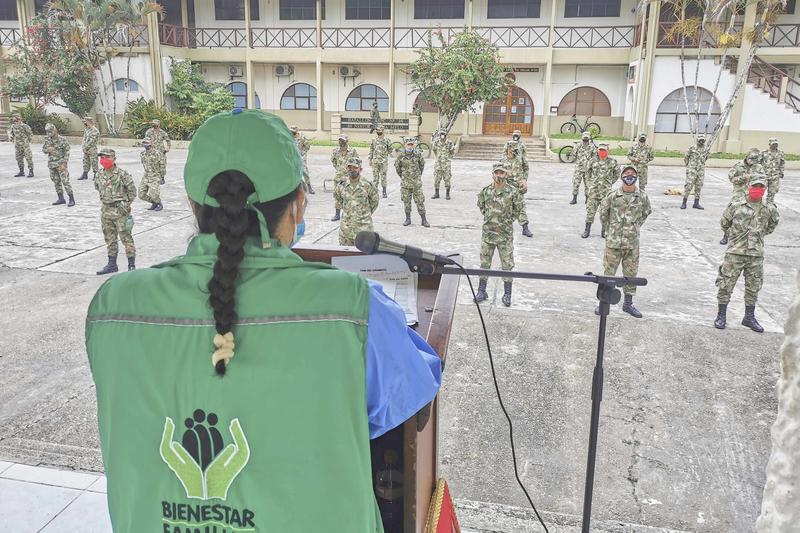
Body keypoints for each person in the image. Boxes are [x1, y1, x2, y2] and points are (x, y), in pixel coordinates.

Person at [85, 109, 441, 533]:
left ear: (192, 205)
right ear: (298, 205)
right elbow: (414, 386)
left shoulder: (111, 306)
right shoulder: (352, 308)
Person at [713, 175, 779, 333]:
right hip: (735, 253)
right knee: (726, 284)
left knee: (753, 287)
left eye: (761, 187)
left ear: (765, 189)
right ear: (749, 186)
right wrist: (735, 238)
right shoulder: (736, 205)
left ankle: (749, 317)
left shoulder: (769, 208)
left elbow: (771, 226)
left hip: (755, 254)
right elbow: (724, 223)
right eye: (755, 186)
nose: (758, 189)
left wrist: (756, 238)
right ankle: (721, 315)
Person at [598, 166, 651, 318]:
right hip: (613, 243)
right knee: (608, 273)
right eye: (627, 173)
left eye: (633, 174)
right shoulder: (613, 195)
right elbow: (603, 213)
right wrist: (611, 229)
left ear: (637, 177)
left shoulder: (642, 196)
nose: (630, 176)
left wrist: (635, 226)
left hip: (632, 243)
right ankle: (604, 303)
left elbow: (646, 212)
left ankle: (628, 304)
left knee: (631, 274)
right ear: (621, 176)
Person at [474, 162, 525, 307]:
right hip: (488, 234)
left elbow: (518, 209)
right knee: (484, 264)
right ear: (492, 174)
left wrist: (507, 221)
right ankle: (481, 291)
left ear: (506, 174)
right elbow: (481, 206)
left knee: (507, 265)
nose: (499, 175)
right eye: (496, 173)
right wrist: (491, 218)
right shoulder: (486, 191)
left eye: (501, 173)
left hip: (505, 235)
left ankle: (507, 294)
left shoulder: (513, 192)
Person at [94, 148, 136, 274]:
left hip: (120, 212)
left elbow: (132, 192)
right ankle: (112, 264)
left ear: (114, 159)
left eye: (107, 157)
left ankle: (131, 265)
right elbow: (98, 188)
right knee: (110, 239)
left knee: (126, 238)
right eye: (102, 158)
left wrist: (126, 205)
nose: (104, 160)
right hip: (106, 211)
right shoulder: (99, 174)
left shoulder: (122, 174)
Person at [720, 149, 764, 245]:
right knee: (731, 215)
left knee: (752, 216)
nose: (753, 162)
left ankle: (747, 237)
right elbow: (731, 178)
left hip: (753, 195)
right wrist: (743, 178)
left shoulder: (759, 167)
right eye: (751, 159)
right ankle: (726, 235)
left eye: (755, 160)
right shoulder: (738, 166)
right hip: (739, 194)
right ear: (747, 157)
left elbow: (763, 180)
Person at [334, 156, 379, 246]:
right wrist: (349, 211)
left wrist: (364, 214)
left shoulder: (367, 185)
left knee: (364, 258)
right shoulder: (341, 185)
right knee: (345, 257)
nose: (352, 170)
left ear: (360, 169)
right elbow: (338, 199)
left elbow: (375, 201)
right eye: (350, 167)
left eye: (355, 167)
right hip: (346, 231)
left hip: (364, 229)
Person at [582, 142, 619, 239]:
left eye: (604, 150)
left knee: (604, 214)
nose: (602, 152)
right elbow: (587, 173)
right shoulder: (592, 161)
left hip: (606, 193)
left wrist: (609, 182)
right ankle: (587, 230)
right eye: (600, 150)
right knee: (590, 212)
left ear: (607, 151)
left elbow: (617, 174)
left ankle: (604, 231)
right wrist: (590, 184)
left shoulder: (612, 162)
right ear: (598, 151)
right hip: (594, 192)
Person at [500, 145, 533, 238]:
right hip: (506, 186)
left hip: (518, 187)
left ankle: (525, 228)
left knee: (521, 207)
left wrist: (524, 180)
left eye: (512, 149)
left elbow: (526, 168)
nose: (511, 151)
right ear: (506, 150)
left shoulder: (519, 159)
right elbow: (496, 173)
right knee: (504, 208)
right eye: (509, 149)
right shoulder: (502, 160)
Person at [394, 137, 428, 227]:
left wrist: (418, 176)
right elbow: (397, 167)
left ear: (414, 145)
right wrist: (403, 176)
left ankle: (424, 220)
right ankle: (408, 219)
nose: (410, 146)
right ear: (405, 145)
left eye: (411, 144)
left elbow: (422, 165)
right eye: (408, 144)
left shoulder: (417, 155)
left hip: (416, 183)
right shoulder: (400, 155)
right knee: (406, 202)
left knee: (420, 201)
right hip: (405, 184)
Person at [42, 123, 74, 206]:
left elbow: (67, 152)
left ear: (55, 130)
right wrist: (47, 150)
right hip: (51, 164)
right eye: (48, 132)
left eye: (50, 132)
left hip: (60, 164)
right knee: (56, 181)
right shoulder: (47, 139)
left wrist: (64, 163)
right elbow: (44, 149)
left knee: (65, 181)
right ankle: (61, 198)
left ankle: (71, 199)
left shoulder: (62, 140)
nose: (49, 134)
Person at [331, 135, 359, 221]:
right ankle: (337, 214)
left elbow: (357, 162)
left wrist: (352, 173)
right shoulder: (335, 151)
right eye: (339, 141)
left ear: (346, 141)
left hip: (349, 177)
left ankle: (348, 214)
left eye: (342, 141)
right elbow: (333, 161)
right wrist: (339, 169)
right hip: (338, 178)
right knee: (337, 195)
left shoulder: (352, 151)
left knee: (349, 196)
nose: (341, 142)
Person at [682, 136, 709, 210]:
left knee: (699, 186)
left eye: (703, 140)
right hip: (692, 170)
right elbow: (686, 157)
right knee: (689, 185)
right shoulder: (692, 148)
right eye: (700, 140)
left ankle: (696, 203)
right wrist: (689, 166)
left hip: (700, 170)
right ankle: (684, 202)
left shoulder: (706, 149)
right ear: (697, 140)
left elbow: (706, 158)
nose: (701, 142)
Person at [570, 131, 597, 205]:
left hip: (588, 169)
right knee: (576, 183)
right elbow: (573, 154)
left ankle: (587, 199)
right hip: (579, 168)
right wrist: (578, 162)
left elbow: (595, 157)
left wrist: (590, 164)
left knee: (588, 185)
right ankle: (574, 198)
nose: (585, 140)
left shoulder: (592, 146)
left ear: (589, 138)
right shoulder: (578, 145)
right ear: (582, 138)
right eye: (584, 139)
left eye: (587, 139)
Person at [138, 139, 163, 211]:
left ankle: (159, 203)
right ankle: (154, 202)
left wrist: (162, 176)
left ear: (151, 144)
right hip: (146, 176)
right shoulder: (142, 154)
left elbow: (162, 165)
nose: (145, 145)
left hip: (155, 176)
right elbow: (144, 164)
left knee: (154, 194)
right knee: (141, 194)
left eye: (147, 143)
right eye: (144, 143)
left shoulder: (157, 154)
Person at [144, 119, 171, 184]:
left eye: (156, 124)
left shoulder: (163, 132)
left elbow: (168, 141)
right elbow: (146, 141)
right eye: (153, 124)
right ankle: (152, 177)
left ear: (159, 124)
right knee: (151, 164)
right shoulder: (149, 132)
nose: (154, 125)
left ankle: (162, 177)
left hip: (161, 151)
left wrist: (167, 148)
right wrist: (148, 148)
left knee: (162, 164)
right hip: (152, 151)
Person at [369, 125, 392, 198]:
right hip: (375, 162)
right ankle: (374, 192)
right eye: (377, 131)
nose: (378, 132)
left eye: (380, 131)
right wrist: (370, 159)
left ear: (383, 131)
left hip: (383, 162)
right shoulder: (374, 139)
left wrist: (384, 154)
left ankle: (384, 192)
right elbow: (371, 149)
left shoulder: (387, 140)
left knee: (383, 177)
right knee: (375, 178)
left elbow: (390, 149)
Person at [290, 125, 314, 194]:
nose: (292, 134)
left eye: (294, 132)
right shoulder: (289, 137)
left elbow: (307, 146)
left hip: (302, 156)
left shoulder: (302, 137)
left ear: (297, 132)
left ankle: (309, 186)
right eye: (292, 132)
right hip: (293, 156)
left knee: (305, 171)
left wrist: (302, 153)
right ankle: (297, 187)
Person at [431, 130, 455, 200]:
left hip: (446, 164)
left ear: (446, 135)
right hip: (438, 164)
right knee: (436, 179)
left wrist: (447, 158)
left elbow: (452, 151)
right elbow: (434, 150)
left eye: (443, 134)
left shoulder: (449, 143)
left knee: (447, 179)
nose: (442, 135)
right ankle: (436, 193)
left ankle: (447, 194)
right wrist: (438, 157)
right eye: (441, 134)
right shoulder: (436, 142)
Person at [9, 112, 34, 177]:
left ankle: (31, 171)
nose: (15, 119)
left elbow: (30, 134)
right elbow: (11, 133)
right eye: (14, 118)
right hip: (17, 146)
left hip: (25, 146)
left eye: (16, 117)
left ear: (19, 118)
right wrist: (11, 137)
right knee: (18, 158)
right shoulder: (13, 126)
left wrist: (27, 141)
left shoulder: (25, 126)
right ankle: (21, 171)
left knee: (28, 158)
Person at [760, 137, 785, 204]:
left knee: (772, 192)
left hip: (775, 176)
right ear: (769, 144)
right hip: (764, 175)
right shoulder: (763, 152)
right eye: (773, 144)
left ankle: (769, 205)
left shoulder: (780, 153)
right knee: (761, 190)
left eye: (776, 144)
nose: (775, 145)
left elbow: (782, 163)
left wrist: (781, 172)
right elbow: (758, 163)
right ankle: (759, 204)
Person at [79, 116, 100, 181]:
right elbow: (84, 139)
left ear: (89, 122)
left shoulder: (95, 131)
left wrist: (86, 147)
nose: (84, 124)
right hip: (86, 149)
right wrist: (83, 147)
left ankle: (96, 175)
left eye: (85, 122)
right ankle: (85, 174)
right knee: (85, 161)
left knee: (94, 162)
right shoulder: (86, 129)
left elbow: (92, 141)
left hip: (92, 149)